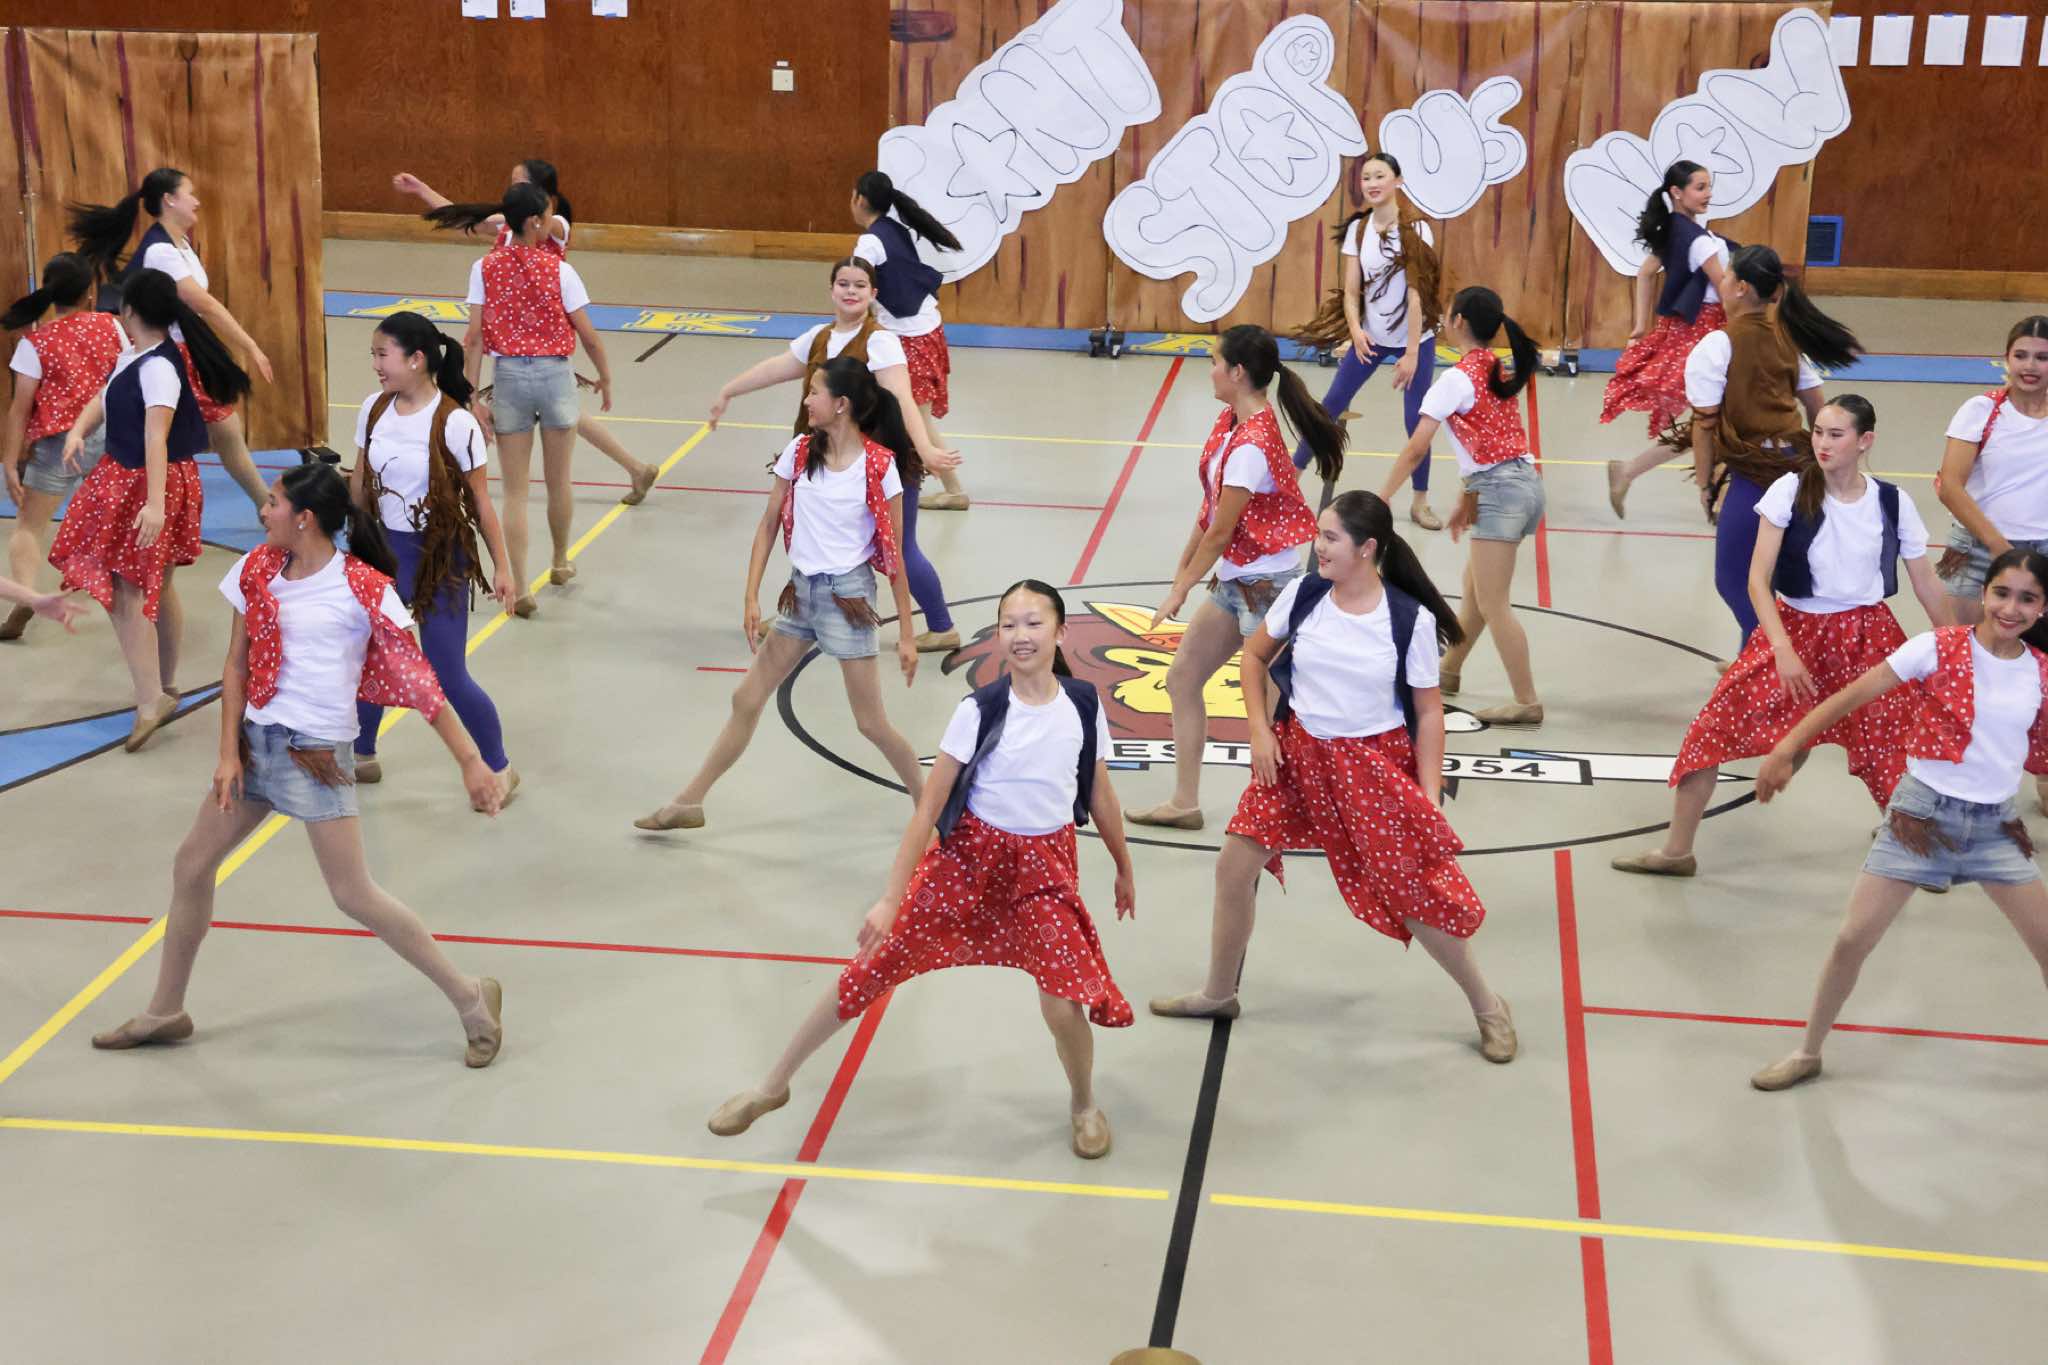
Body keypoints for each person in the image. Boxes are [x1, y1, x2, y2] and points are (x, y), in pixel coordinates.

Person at [88, 464, 507, 1067]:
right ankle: (166, 1010)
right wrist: (227, 753)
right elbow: (236, 666)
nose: (264, 510)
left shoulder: (363, 588)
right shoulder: (256, 569)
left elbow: (423, 687)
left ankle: (471, 999)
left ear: (305, 519)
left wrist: (471, 763)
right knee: (192, 864)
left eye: (275, 502)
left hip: (317, 756)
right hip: (256, 746)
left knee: (353, 894)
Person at [707, 579, 1136, 1158]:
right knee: (869, 968)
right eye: (1008, 624)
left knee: (1062, 1002)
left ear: (1060, 632)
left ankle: (1084, 1104)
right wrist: (892, 897)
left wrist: (1122, 865)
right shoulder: (979, 711)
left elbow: (1101, 793)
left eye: (1034, 623)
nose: (1020, 635)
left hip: (1043, 868)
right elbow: (928, 811)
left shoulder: (1083, 704)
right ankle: (772, 1085)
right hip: (968, 860)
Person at [1149, 492, 1515, 1062]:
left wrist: (1426, 797)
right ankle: (1219, 994)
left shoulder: (1408, 620)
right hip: (1297, 757)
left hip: (1370, 767)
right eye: (1319, 534)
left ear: (1367, 549)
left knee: (1410, 893)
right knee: (1234, 866)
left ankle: (1488, 1005)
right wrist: (1260, 730)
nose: (1317, 546)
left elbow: (1428, 713)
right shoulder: (1304, 593)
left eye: (1331, 538)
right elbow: (1253, 658)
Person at [1747, 548, 2048, 1092]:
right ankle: (1807, 1051)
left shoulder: (2040, 673)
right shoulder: (1936, 648)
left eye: (2027, 599)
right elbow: (1849, 698)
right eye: (2002, 593)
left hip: (1996, 829)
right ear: (1984, 593)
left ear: (2043, 608)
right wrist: (1786, 748)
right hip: (1920, 818)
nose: (2011, 608)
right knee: (1852, 939)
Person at [1612, 396, 1946, 878]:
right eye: (1819, 432)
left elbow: (1926, 582)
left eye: (1836, 435)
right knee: (1711, 730)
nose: (1823, 443)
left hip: (1868, 637)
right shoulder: (1789, 490)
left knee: (1892, 745)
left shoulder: (1892, 501)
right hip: (1794, 629)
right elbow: (1757, 580)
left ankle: (1911, 846)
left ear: (1865, 441)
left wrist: (1957, 647)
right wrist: (1782, 649)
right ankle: (1677, 850)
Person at [635, 357, 924, 831]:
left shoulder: (879, 467)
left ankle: (930, 806)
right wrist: (751, 596)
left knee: (870, 723)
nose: (807, 400)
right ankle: (689, 802)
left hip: (848, 601)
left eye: (815, 392)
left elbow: (894, 558)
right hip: (801, 595)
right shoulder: (799, 451)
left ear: (841, 404)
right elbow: (768, 524)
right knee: (746, 698)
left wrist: (907, 634)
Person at [1125, 325, 1345, 831]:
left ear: (1238, 373)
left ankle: (1289, 810)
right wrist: (1183, 573)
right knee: (1183, 677)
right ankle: (1185, 802)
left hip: (1267, 587)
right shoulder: (1229, 422)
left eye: (1215, 362)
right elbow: (1209, 514)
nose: (1210, 371)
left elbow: (1222, 530)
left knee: (1272, 711)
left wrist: (1181, 588)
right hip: (1237, 581)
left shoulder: (1251, 444)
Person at [707, 256, 964, 651]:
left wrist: (926, 448)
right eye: (843, 284)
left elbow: (902, 396)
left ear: (873, 293)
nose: (850, 291)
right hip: (828, 462)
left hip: (876, 464)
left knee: (900, 548)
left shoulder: (880, 341)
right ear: (831, 289)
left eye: (860, 285)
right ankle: (801, 613)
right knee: (815, 535)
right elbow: (776, 368)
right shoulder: (819, 338)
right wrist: (729, 390)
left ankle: (942, 626)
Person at [48, 269, 250, 751]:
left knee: (127, 591)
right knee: (151, 584)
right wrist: (78, 430)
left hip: (145, 481)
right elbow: (104, 396)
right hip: (136, 477)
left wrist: (155, 505)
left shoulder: (159, 367)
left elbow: (155, 436)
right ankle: (162, 684)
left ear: (130, 310)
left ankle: (150, 699)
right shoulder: (136, 353)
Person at [401, 160, 662, 508]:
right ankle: (636, 468)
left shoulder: (555, 225)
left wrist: (527, 210)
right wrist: (421, 189)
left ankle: (448, 476)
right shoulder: (508, 227)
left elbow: (540, 219)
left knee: (477, 409)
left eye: (520, 184)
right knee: (563, 415)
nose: (512, 189)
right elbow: (461, 216)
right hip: (511, 345)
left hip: (538, 344)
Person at [348, 311, 519, 808]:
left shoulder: (456, 423)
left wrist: (502, 566)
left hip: (439, 559)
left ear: (416, 359)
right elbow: (359, 483)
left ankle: (500, 766)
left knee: (447, 675)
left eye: (383, 354)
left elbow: (481, 501)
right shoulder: (372, 410)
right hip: (383, 553)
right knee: (366, 656)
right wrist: (348, 547)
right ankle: (362, 753)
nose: (376, 364)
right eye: (373, 355)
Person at [1678, 245, 1862, 657]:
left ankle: (1769, 657)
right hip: (1797, 468)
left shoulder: (1718, 344)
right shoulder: (1787, 340)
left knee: (1735, 580)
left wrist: (1705, 485)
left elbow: (1704, 425)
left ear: (1741, 287)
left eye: (1727, 276)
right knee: (1773, 576)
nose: (1722, 282)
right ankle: (1754, 656)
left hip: (1757, 474)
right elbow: (1817, 407)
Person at [1380, 285, 1546, 725]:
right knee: (1474, 588)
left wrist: (1382, 497)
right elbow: (1491, 440)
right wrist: (1468, 495)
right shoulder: (1493, 365)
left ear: (1458, 322)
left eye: (1448, 312)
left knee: (1494, 602)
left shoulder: (1453, 380)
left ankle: (1526, 699)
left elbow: (1416, 449)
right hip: (1522, 485)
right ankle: (1449, 670)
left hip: (1501, 492)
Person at [67, 167, 276, 512]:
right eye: (189, 193)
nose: (196, 201)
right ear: (169, 200)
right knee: (165, 436)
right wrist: (250, 346)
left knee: (225, 432)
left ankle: (264, 506)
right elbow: (204, 304)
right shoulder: (160, 252)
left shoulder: (181, 245)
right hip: (166, 356)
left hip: (183, 354)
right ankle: (123, 503)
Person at [451, 182, 613, 616]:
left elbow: (473, 339)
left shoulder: (484, 267)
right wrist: (604, 376)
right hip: (555, 374)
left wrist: (471, 396)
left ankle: (521, 586)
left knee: (515, 492)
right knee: (559, 481)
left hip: (509, 377)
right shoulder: (559, 270)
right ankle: (559, 560)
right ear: (535, 221)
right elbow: (588, 335)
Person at [1289, 151, 1444, 526]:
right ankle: (1288, 484)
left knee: (1416, 421)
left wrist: (1411, 353)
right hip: (1371, 338)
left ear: (1398, 181)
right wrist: (1356, 331)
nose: (1372, 183)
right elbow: (1351, 291)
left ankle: (1420, 500)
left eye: (1380, 176)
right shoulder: (1358, 230)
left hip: (1415, 339)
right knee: (1329, 406)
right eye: (1366, 177)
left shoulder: (1417, 230)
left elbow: (1417, 296)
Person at [3, 252, 128, 639]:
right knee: (116, 524)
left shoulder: (35, 343)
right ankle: (127, 597)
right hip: (108, 437)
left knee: (29, 526)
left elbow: (20, 409)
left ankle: (26, 594)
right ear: (90, 292)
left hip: (57, 445)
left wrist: (9, 461)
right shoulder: (112, 327)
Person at [1602, 160, 1732, 517]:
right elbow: (1726, 290)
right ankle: (1715, 496)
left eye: (1708, 186)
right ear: (1677, 192)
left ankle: (1631, 472)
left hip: (1690, 331)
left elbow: (1646, 274)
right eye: (1700, 187)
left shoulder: (1676, 230)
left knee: (1711, 421)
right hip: (1707, 332)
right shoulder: (1698, 241)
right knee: (1713, 420)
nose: (1708, 194)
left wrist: (1640, 326)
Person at [851, 169, 971, 511]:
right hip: (925, 329)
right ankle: (877, 477)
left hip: (909, 338)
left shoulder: (869, 242)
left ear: (860, 200)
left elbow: (856, 284)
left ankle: (953, 490)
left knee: (916, 418)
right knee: (887, 411)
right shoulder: (894, 229)